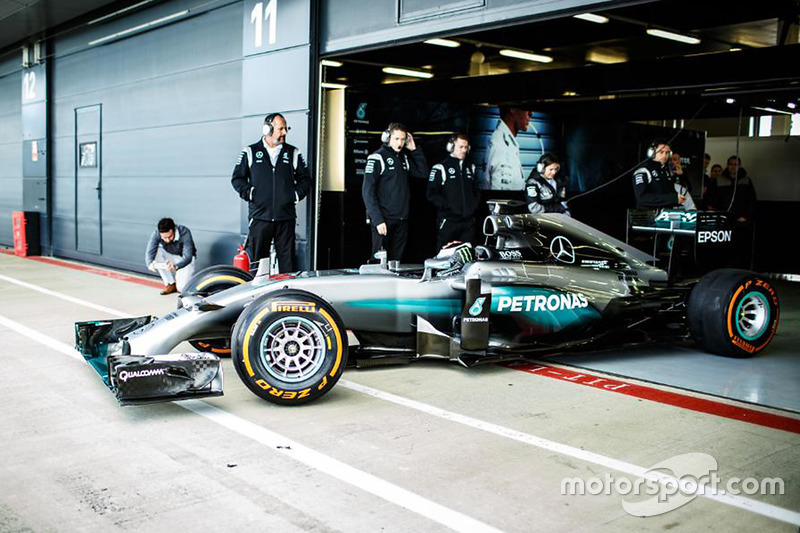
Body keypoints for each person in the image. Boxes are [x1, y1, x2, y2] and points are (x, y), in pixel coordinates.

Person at [231, 113, 311, 273]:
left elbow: (306, 180)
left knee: (287, 263)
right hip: (259, 217)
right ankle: (255, 295)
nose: (284, 133)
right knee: (257, 264)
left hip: (285, 217)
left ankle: (285, 294)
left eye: (285, 128)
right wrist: (251, 194)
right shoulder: (250, 151)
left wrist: (294, 196)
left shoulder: (293, 152)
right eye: (281, 128)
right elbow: (237, 179)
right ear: (267, 129)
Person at [362, 122, 428, 261]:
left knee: (396, 262)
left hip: (402, 219)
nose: (400, 143)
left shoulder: (403, 158)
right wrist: (378, 219)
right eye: (396, 139)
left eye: (403, 139)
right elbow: (367, 191)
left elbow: (423, 173)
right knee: (379, 263)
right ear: (387, 138)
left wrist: (414, 149)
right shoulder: (377, 158)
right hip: (384, 220)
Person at [427, 133, 480, 249]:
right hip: (448, 221)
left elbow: (476, 191)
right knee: (444, 255)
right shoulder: (440, 168)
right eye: (460, 147)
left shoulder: (471, 167)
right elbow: (431, 194)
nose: (464, 150)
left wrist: (472, 207)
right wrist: (448, 207)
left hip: (468, 222)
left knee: (469, 254)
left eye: (466, 147)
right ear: (451, 147)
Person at [633, 139, 692, 210]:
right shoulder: (643, 171)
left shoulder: (665, 171)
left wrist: (681, 176)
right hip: (647, 217)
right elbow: (642, 198)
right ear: (652, 153)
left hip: (666, 216)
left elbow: (685, 190)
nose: (665, 155)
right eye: (661, 152)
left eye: (667, 153)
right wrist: (673, 198)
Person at [145, 217, 196, 295]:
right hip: (170, 256)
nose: (168, 240)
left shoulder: (184, 232)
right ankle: (170, 284)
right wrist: (150, 264)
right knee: (156, 253)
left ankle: (182, 282)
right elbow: (150, 251)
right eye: (164, 238)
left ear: (175, 228)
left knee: (182, 288)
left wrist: (176, 266)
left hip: (184, 259)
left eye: (170, 236)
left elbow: (188, 256)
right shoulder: (156, 233)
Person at [484, 107, 530, 191]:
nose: (531, 113)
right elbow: (500, 197)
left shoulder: (507, 142)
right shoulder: (501, 144)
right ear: (512, 109)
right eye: (526, 107)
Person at [706, 156, 757, 222]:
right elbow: (712, 198)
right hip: (722, 217)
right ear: (727, 165)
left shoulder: (746, 181)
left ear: (739, 166)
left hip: (741, 218)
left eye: (736, 164)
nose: (733, 167)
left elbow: (751, 200)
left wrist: (746, 216)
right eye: (731, 164)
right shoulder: (719, 180)